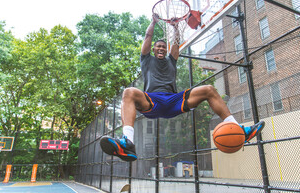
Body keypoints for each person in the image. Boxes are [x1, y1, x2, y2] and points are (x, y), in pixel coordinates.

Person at [100, 15, 265, 162]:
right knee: (128, 92)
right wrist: (153, 23)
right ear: (153, 49)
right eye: (158, 46)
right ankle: (127, 142)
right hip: (152, 101)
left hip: (173, 101)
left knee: (209, 89)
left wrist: (176, 27)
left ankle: (239, 130)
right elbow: (147, 37)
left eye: (163, 47)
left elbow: (176, 44)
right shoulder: (146, 60)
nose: (161, 48)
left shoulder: (171, 60)